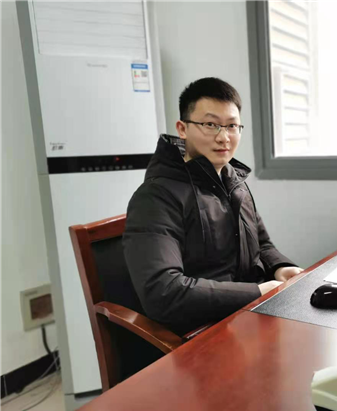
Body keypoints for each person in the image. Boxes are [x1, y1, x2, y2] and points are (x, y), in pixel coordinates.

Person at [123, 77, 302, 336]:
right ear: (182, 129)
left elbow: (261, 245)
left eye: (232, 126)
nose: (224, 137)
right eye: (210, 125)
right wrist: (256, 291)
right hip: (203, 332)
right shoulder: (155, 197)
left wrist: (281, 268)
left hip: (248, 316)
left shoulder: (234, 181)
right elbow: (163, 292)